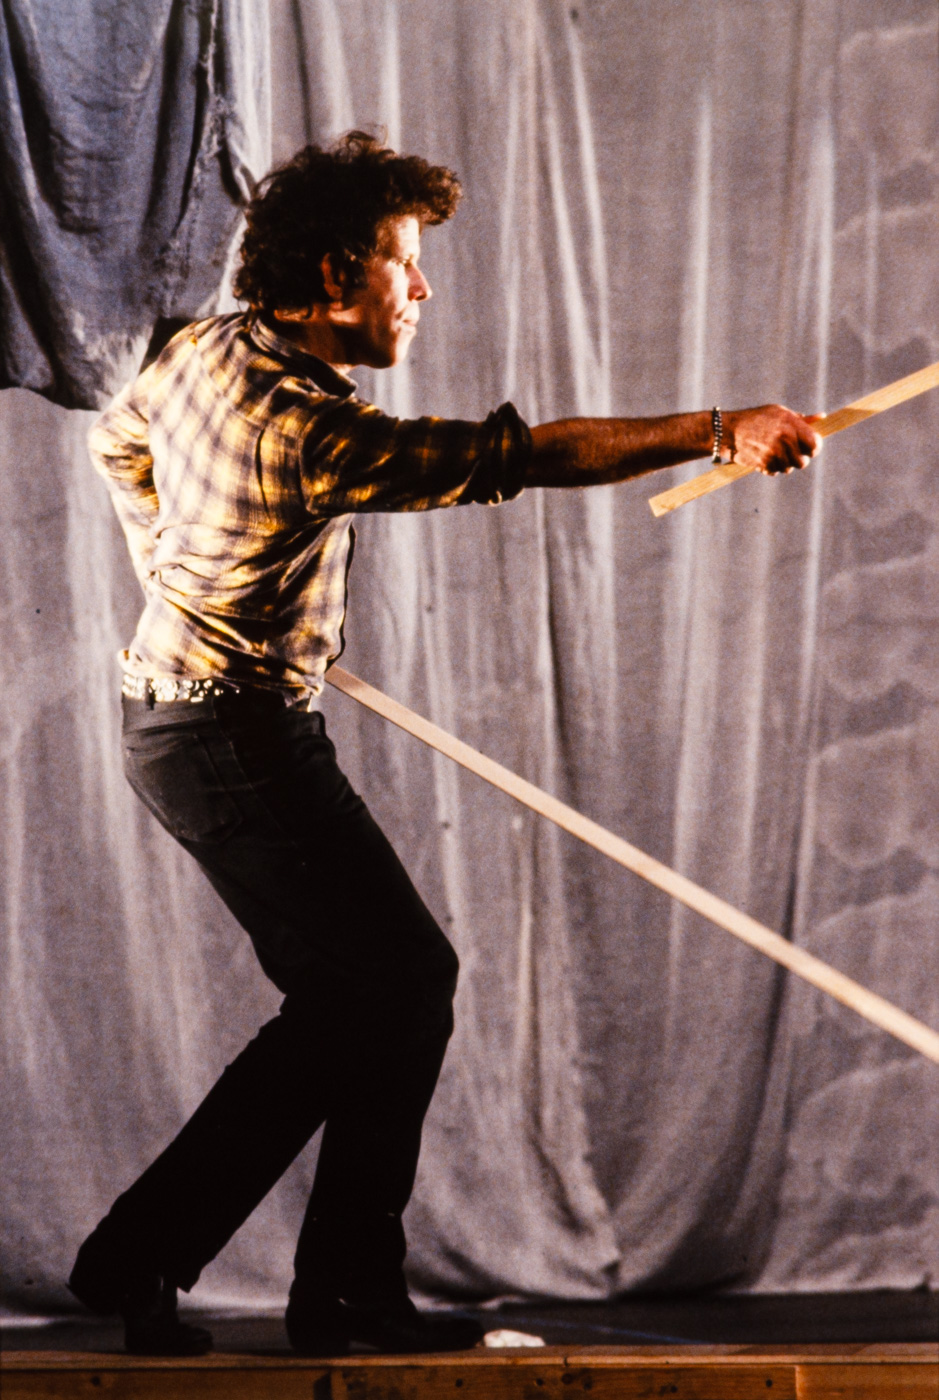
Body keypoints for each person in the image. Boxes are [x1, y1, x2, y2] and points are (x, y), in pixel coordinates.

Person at [68, 132, 821, 1358]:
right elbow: (516, 457)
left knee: (366, 995)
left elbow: (116, 440)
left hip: (194, 723)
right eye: (402, 264)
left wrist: (179, 574)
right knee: (398, 984)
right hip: (227, 733)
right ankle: (293, 1281)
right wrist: (717, 426)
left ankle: (210, 1267)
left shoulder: (208, 348)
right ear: (332, 277)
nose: (421, 290)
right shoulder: (311, 429)